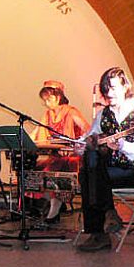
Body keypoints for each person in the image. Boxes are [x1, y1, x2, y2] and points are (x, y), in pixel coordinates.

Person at [76, 67, 134, 252]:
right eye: (105, 90)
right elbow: (90, 136)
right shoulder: (104, 115)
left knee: (89, 176)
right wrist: (80, 146)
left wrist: (123, 146)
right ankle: (109, 213)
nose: (108, 93)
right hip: (108, 172)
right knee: (91, 156)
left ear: (125, 86)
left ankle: (98, 233)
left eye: (113, 88)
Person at [29, 80, 90, 223]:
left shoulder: (71, 112)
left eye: (49, 98)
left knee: (56, 166)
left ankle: (54, 208)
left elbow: (88, 130)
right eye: (45, 99)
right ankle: (47, 203)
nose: (46, 102)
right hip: (55, 155)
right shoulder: (47, 115)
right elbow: (36, 133)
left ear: (59, 97)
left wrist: (75, 145)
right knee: (32, 167)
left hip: (71, 156)